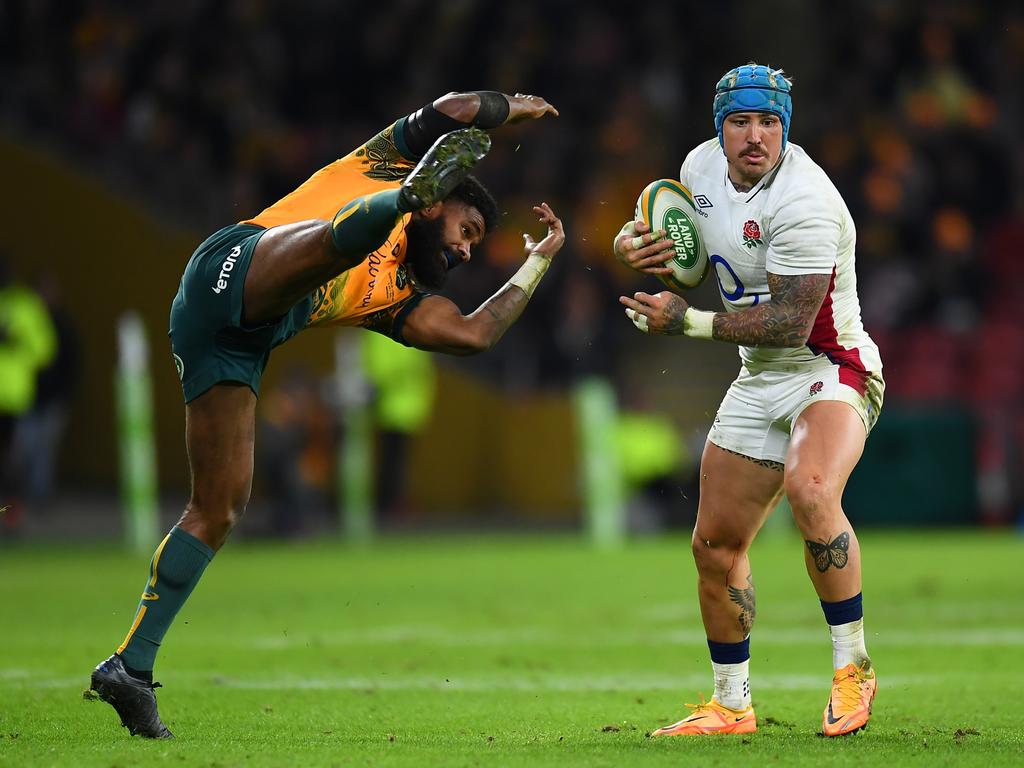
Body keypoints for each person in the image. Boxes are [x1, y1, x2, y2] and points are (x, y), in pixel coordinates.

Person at [89, 90, 564, 739]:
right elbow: (452, 109)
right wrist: (508, 106)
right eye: (467, 231)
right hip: (237, 266)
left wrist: (537, 263)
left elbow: (474, 334)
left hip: (236, 341)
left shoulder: (398, 296)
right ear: (438, 197)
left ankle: (130, 669)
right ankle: (396, 208)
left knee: (220, 507)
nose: (466, 251)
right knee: (330, 249)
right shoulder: (382, 163)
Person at [615, 64, 883, 738]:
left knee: (812, 488)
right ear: (720, 129)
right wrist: (635, 242)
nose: (755, 135)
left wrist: (687, 322)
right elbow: (696, 259)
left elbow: (793, 320)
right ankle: (731, 705)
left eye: (769, 122)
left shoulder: (806, 199)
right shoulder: (698, 170)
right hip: (759, 374)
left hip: (830, 365)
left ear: (785, 127)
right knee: (714, 545)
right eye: (741, 122)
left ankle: (853, 669)